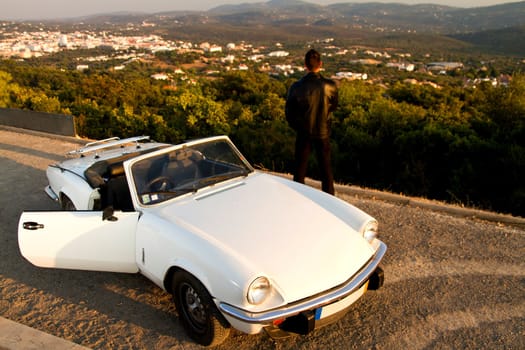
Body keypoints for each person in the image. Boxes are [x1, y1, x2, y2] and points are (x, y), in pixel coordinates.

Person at [285, 49, 339, 195]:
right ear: (320, 64)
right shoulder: (330, 86)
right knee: (326, 170)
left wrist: (299, 127)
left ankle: (298, 198)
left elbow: (289, 114)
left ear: (305, 65)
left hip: (303, 133)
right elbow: (333, 106)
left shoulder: (296, 87)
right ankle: (330, 201)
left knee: (300, 171)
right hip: (322, 132)